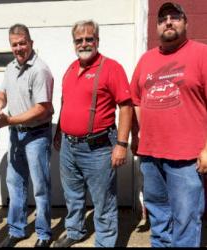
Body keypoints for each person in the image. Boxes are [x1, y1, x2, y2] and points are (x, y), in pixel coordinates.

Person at [130, 2, 207, 247]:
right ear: (157, 27)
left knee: (185, 219)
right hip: (151, 156)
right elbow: (136, 101)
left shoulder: (202, 54)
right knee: (159, 217)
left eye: (175, 17)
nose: (169, 22)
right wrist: (138, 137)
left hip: (187, 157)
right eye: (163, 19)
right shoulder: (146, 59)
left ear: (186, 22)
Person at [53, 20, 132, 247]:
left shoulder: (111, 67)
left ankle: (105, 243)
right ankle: (75, 231)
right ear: (74, 43)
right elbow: (65, 103)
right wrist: (59, 131)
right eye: (79, 40)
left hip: (98, 148)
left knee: (103, 201)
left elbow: (126, 107)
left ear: (97, 40)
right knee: (73, 195)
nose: (84, 43)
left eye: (89, 38)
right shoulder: (70, 69)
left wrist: (121, 144)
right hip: (69, 146)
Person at [0, 24, 54, 248]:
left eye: (22, 43)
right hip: (16, 135)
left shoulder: (40, 70)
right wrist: (0, 101)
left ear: (31, 43)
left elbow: (42, 109)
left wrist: (8, 120)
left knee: (40, 186)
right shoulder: (10, 67)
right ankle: (17, 230)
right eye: (14, 44)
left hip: (36, 135)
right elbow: (4, 91)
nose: (19, 48)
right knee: (15, 184)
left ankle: (44, 233)